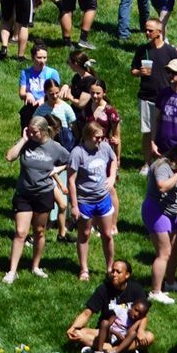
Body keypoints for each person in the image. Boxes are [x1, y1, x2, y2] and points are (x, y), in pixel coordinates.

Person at [67, 256, 153, 353]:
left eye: (118, 272)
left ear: (127, 275)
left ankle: (106, 350)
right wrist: (73, 327)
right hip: (106, 333)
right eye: (112, 271)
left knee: (149, 337)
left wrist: (141, 331)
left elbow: (143, 315)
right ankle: (120, 351)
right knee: (78, 334)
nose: (114, 274)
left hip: (128, 333)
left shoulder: (136, 289)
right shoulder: (103, 289)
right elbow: (87, 313)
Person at [68, 113, 120, 281]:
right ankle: (84, 269)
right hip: (85, 201)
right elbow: (71, 180)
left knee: (107, 234)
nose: (101, 140)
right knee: (84, 234)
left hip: (103, 198)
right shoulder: (77, 153)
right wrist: (74, 206)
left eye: (102, 137)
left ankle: (110, 267)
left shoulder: (104, 147)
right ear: (89, 136)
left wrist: (112, 177)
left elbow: (113, 160)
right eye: (97, 138)